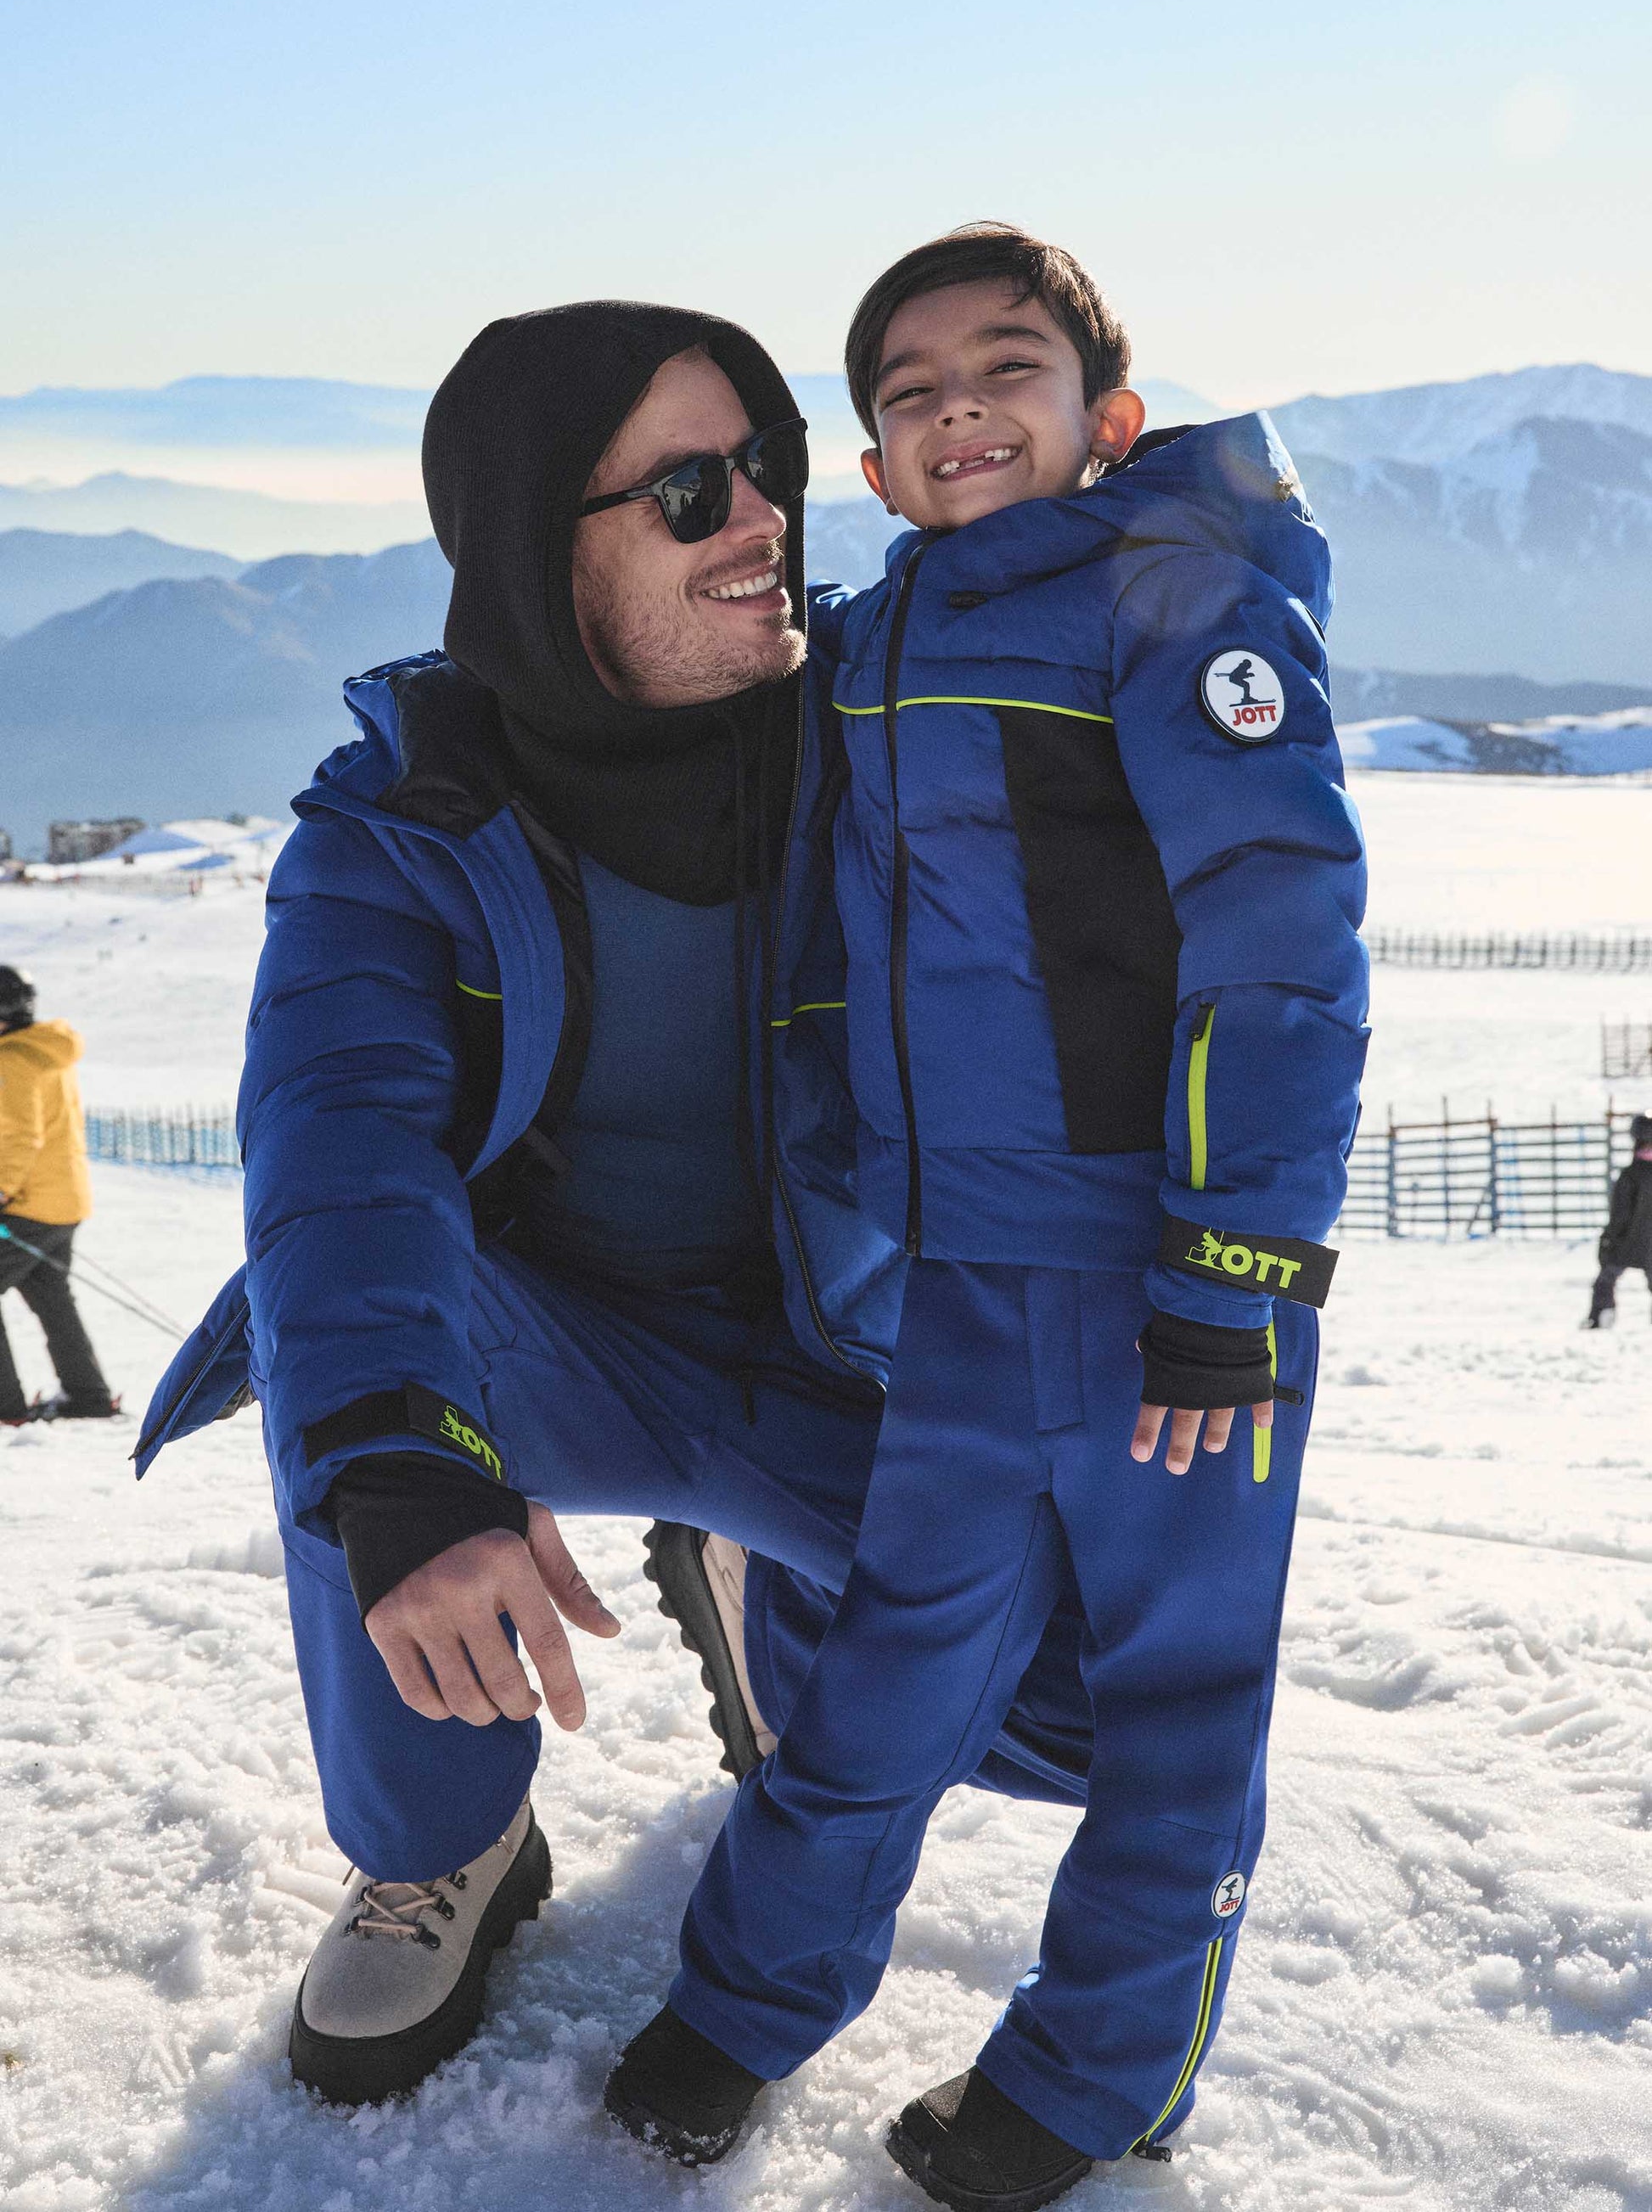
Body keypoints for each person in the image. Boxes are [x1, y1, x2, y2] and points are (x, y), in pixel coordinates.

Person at [138, 303, 1104, 2113]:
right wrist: (410, 1470)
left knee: (1096, 1706)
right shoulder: (403, 827)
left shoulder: (886, 721)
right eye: (684, 491)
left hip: (837, 1349)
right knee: (348, 1370)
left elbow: (1115, 606)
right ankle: (443, 1840)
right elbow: (341, 1147)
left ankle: (770, 1599)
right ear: (536, 548)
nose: (761, 519)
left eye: (767, 468)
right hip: (543, 1342)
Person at [609, 226, 1368, 2204]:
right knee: (890, 1663)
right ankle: (742, 2007)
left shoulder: (1177, 607)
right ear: (873, 467)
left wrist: (1233, 1270)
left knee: (1172, 1697)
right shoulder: (881, 639)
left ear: (1109, 417)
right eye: (911, 390)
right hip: (961, 1284)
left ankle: (1094, 2081)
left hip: (1170, 1286)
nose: (960, 408)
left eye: (1007, 367)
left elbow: (1282, 948)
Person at [0, 964, 117, 1425]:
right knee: (50, 1293)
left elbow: (19, 1136)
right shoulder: (46, 1051)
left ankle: (6, 1408)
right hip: (63, 1199)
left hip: (30, 1202)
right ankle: (89, 1397)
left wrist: (2, 1190)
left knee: (50, 1293)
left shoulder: (12, 1060)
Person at [1585, 1110, 1652, 1326]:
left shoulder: (1630, 1176)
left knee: (1607, 1277)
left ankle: (1602, 1313)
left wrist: (1610, 1237)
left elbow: (1620, 1214)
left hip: (1628, 1240)